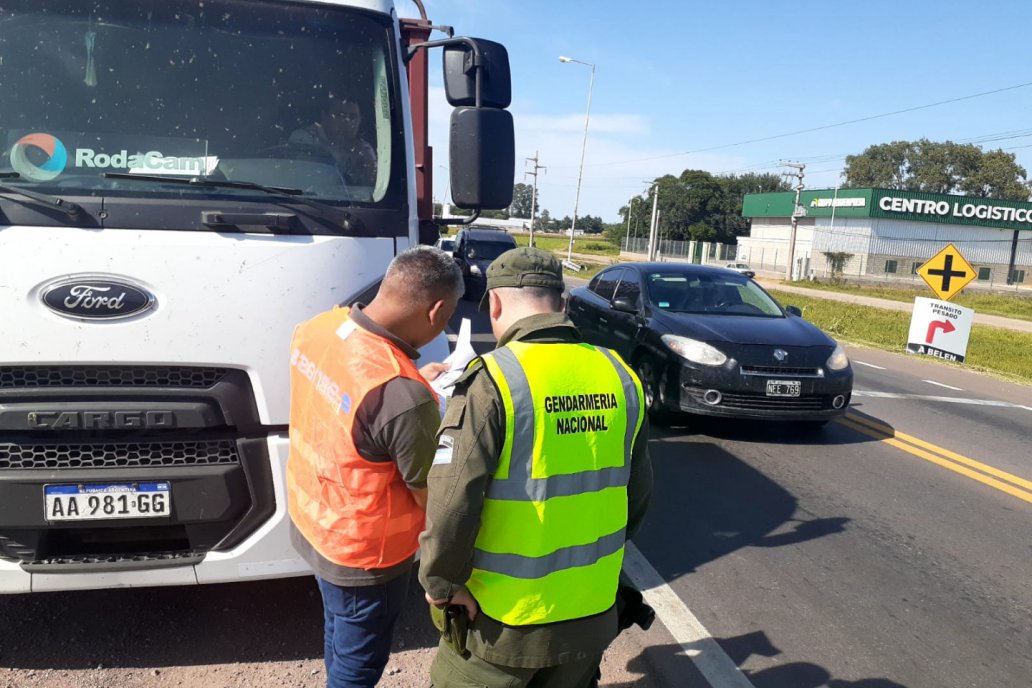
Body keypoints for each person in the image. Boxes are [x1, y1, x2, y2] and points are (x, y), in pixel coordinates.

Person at [418, 247, 653, 688]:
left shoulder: (493, 380)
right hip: (590, 612)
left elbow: (452, 504)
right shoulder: (621, 376)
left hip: (502, 623)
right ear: (563, 303)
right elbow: (636, 498)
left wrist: (441, 582)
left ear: (496, 304)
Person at [286, 245, 462, 688]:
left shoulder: (319, 327)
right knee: (357, 666)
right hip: (367, 553)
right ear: (436, 309)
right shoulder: (403, 396)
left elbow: (355, 398)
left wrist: (417, 380)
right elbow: (431, 495)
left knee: (337, 630)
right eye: (448, 316)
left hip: (315, 520)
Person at [289, 94, 377, 186]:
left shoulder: (364, 150)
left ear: (360, 121)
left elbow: (371, 189)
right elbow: (299, 178)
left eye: (353, 117)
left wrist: (368, 166)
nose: (347, 122)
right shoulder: (302, 138)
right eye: (340, 115)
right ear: (324, 116)